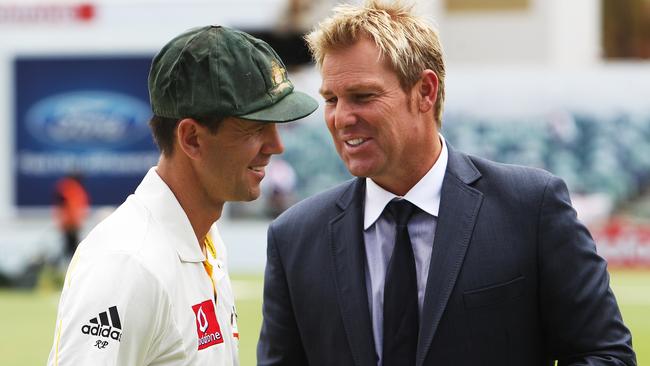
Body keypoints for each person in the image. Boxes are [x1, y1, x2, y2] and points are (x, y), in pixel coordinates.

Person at [257, 1, 636, 365]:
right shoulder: (295, 238)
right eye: (331, 99)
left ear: (425, 91)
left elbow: (606, 355)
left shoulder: (531, 208)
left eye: (362, 96)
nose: (341, 118)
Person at [47, 25, 317, 366]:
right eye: (256, 127)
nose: (276, 146)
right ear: (191, 138)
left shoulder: (204, 238)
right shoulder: (128, 261)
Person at [53, 172, 89, 261]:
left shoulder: (70, 188)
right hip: (70, 224)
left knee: (71, 249)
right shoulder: (69, 188)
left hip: (71, 224)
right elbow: (66, 207)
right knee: (72, 249)